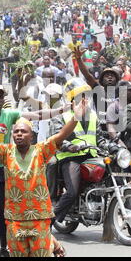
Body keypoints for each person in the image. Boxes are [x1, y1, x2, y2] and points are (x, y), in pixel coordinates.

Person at [0, 98, 87, 257]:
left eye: (23, 131)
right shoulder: (6, 152)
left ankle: (51, 242)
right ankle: (53, 242)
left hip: (40, 217)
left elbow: (62, 135)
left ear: (32, 137)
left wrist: (76, 117)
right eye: (16, 132)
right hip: (15, 219)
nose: (19, 134)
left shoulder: (42, 150)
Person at [50, 78, 109, 224]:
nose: (84, 99)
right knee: (71, 192)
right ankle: (49, 220)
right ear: (72, 99)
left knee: (112, 176)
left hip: (91, 156)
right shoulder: (61, 116)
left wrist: (112, 146)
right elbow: (56, 137)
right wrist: (69, 146)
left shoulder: (93, 115)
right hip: (70, 157)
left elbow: (100, 138)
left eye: (86, 96)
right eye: (80, 96)